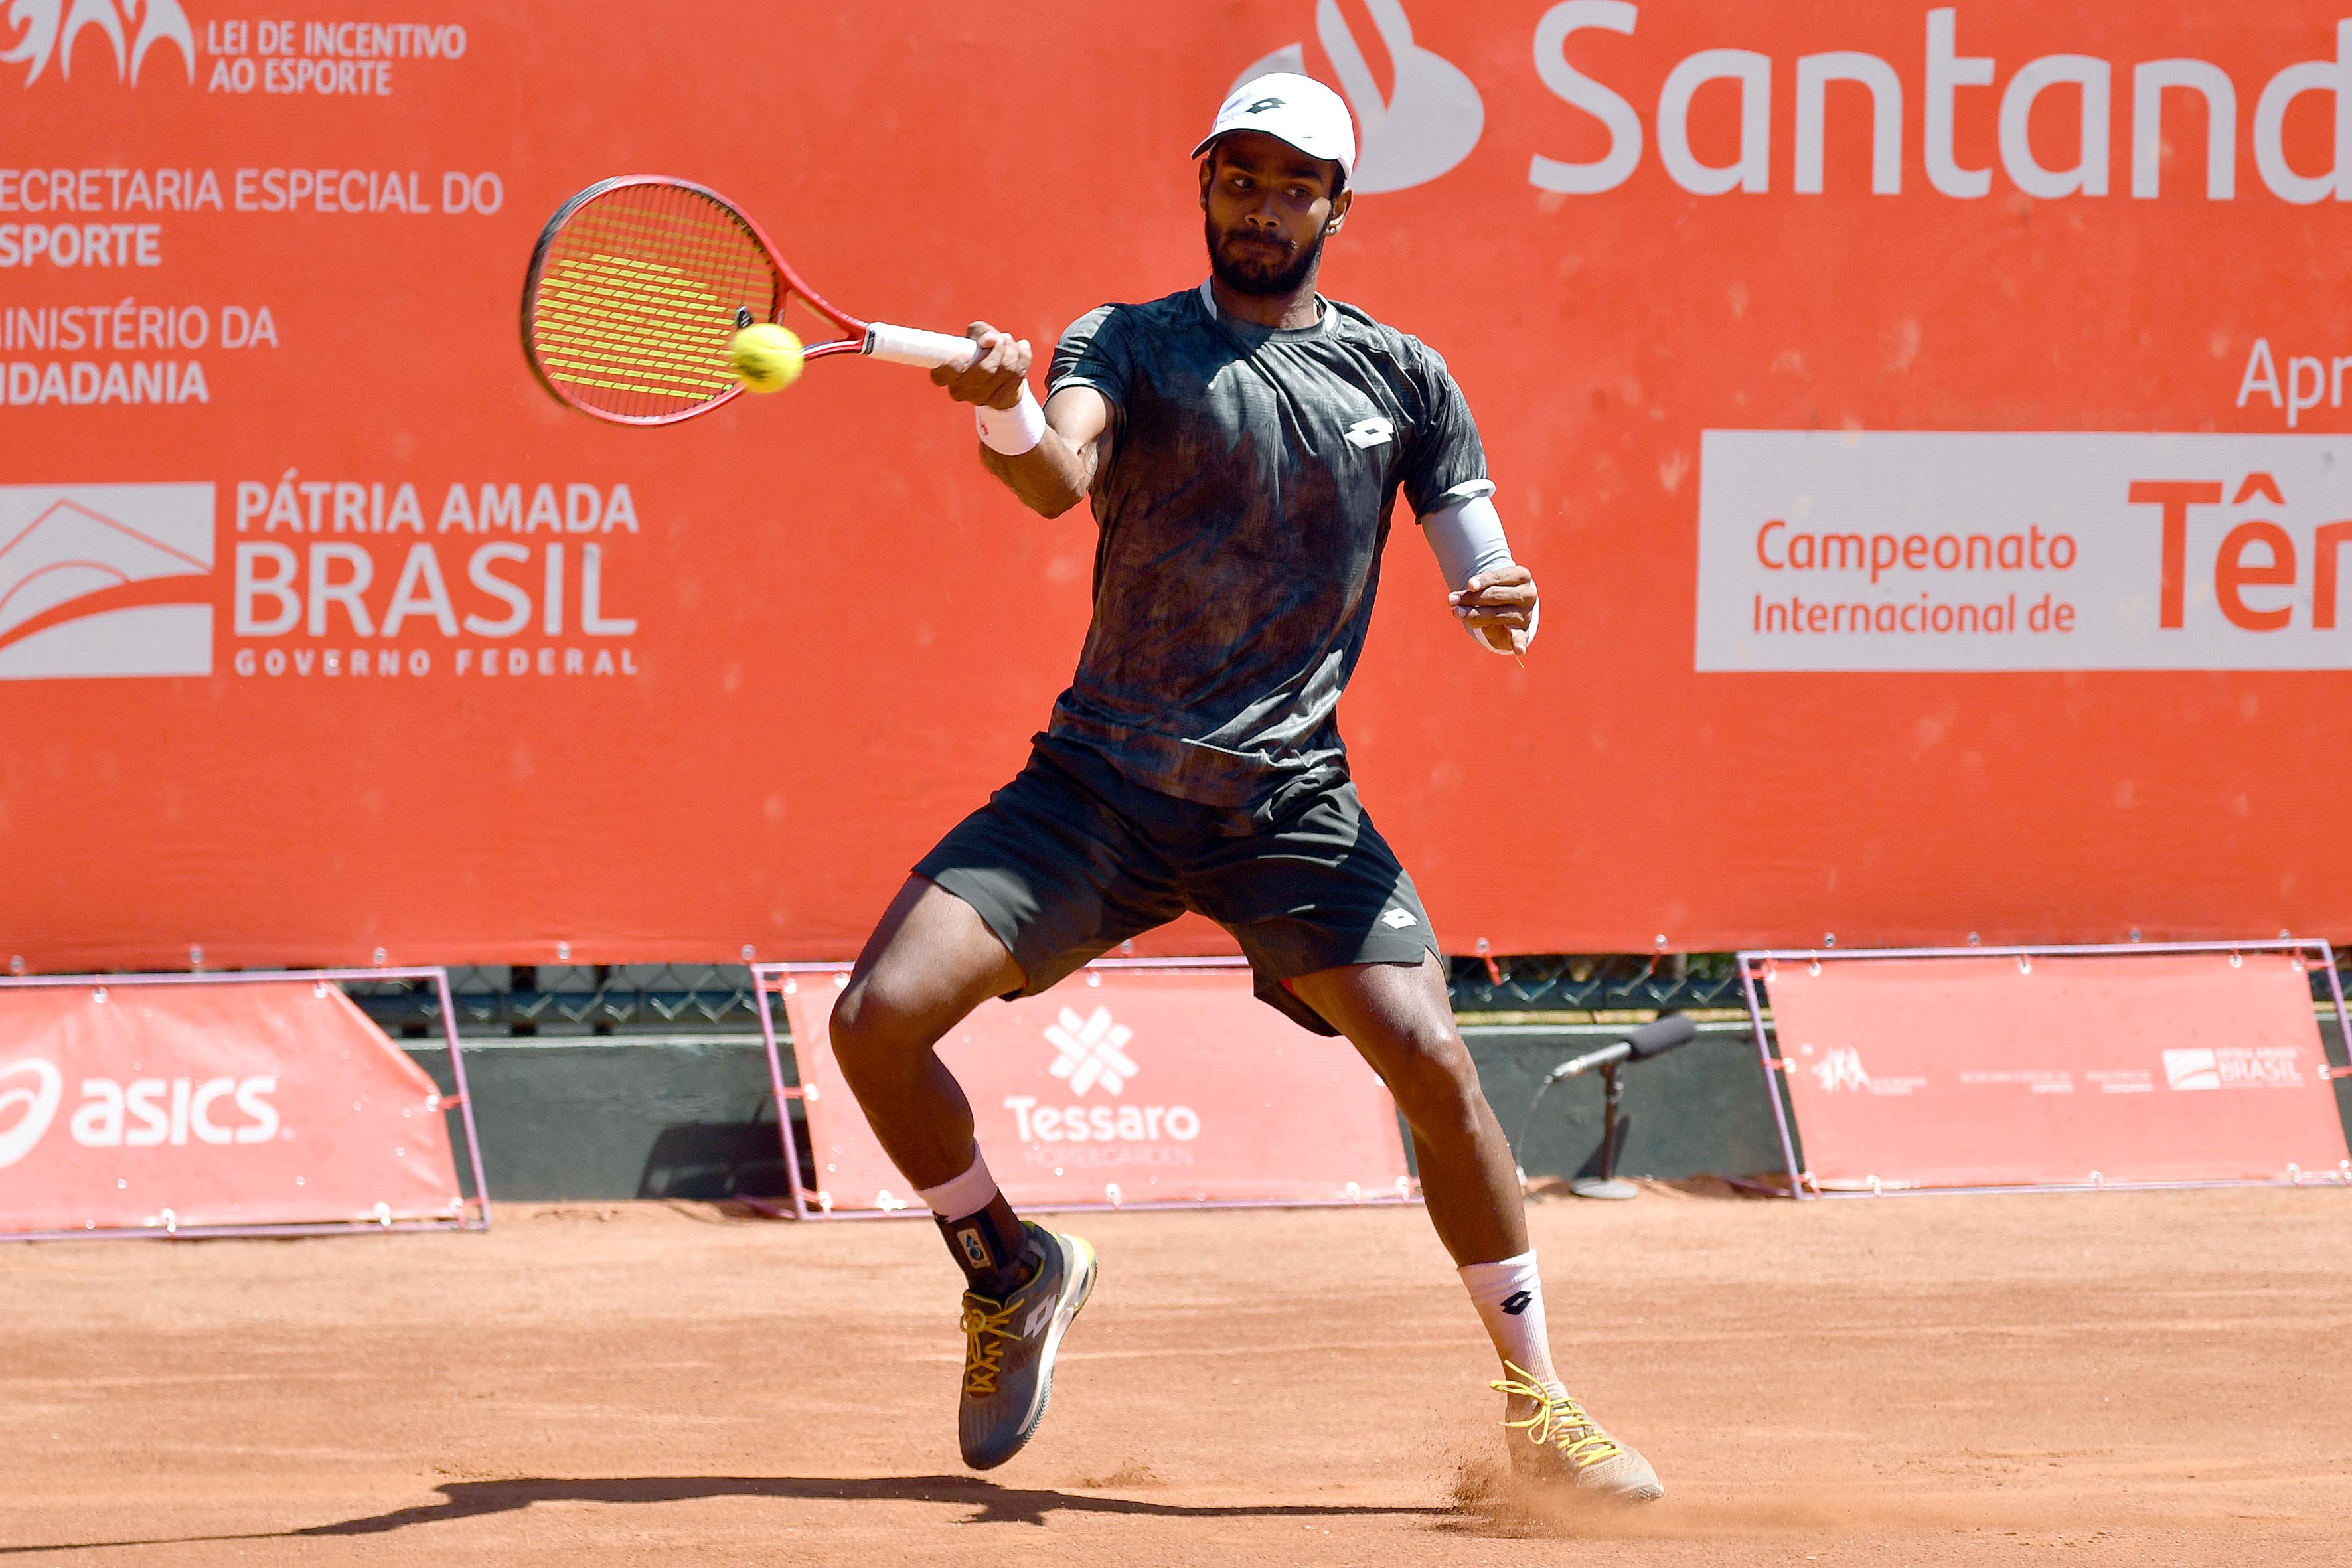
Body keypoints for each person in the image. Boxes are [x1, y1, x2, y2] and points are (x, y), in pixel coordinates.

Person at [826, 72, 1661, 1502]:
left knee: (1433, 1063)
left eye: (1291, 183)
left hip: (1287, 799)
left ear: (1339, 204)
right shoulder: (1127, 344)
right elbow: (1052, 475)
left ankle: (1542, 1403)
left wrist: (1494, 591)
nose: (1260, 204)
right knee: (875, 1019)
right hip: (1099, 783)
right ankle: (1009, 1269)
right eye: (1239, 176)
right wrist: (1004, 412)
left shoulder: (1403, 376)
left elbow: (1474, 544)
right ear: (1204, 186)